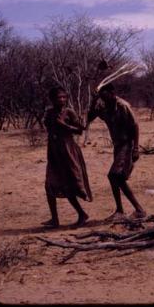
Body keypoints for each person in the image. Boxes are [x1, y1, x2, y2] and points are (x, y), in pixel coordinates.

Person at [87, 83, 146, 221]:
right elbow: (90, 118)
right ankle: (123, 210)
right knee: (116, 178)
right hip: (118, 146)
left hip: (127, 145)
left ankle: (138, 210)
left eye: (104, 94)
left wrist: (136, 148)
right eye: (100, 95)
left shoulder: (122, 106)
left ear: (112, 92)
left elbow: (135, 125)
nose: (102, 97)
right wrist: (94, 101)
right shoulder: (105, 107)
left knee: (114, 176)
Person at [42, 86, 92, 228]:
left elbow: (81, 129)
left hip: (68, 151)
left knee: (68, 185)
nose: (62, 100)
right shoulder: (49, 113)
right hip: (54, 152)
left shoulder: (69, 112)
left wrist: (66, 125)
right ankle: (54, 219)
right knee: (49, 185)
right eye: (59, 97)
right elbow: (49, 129)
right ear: (52, 99)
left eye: (64, 97)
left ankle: (81, 214)